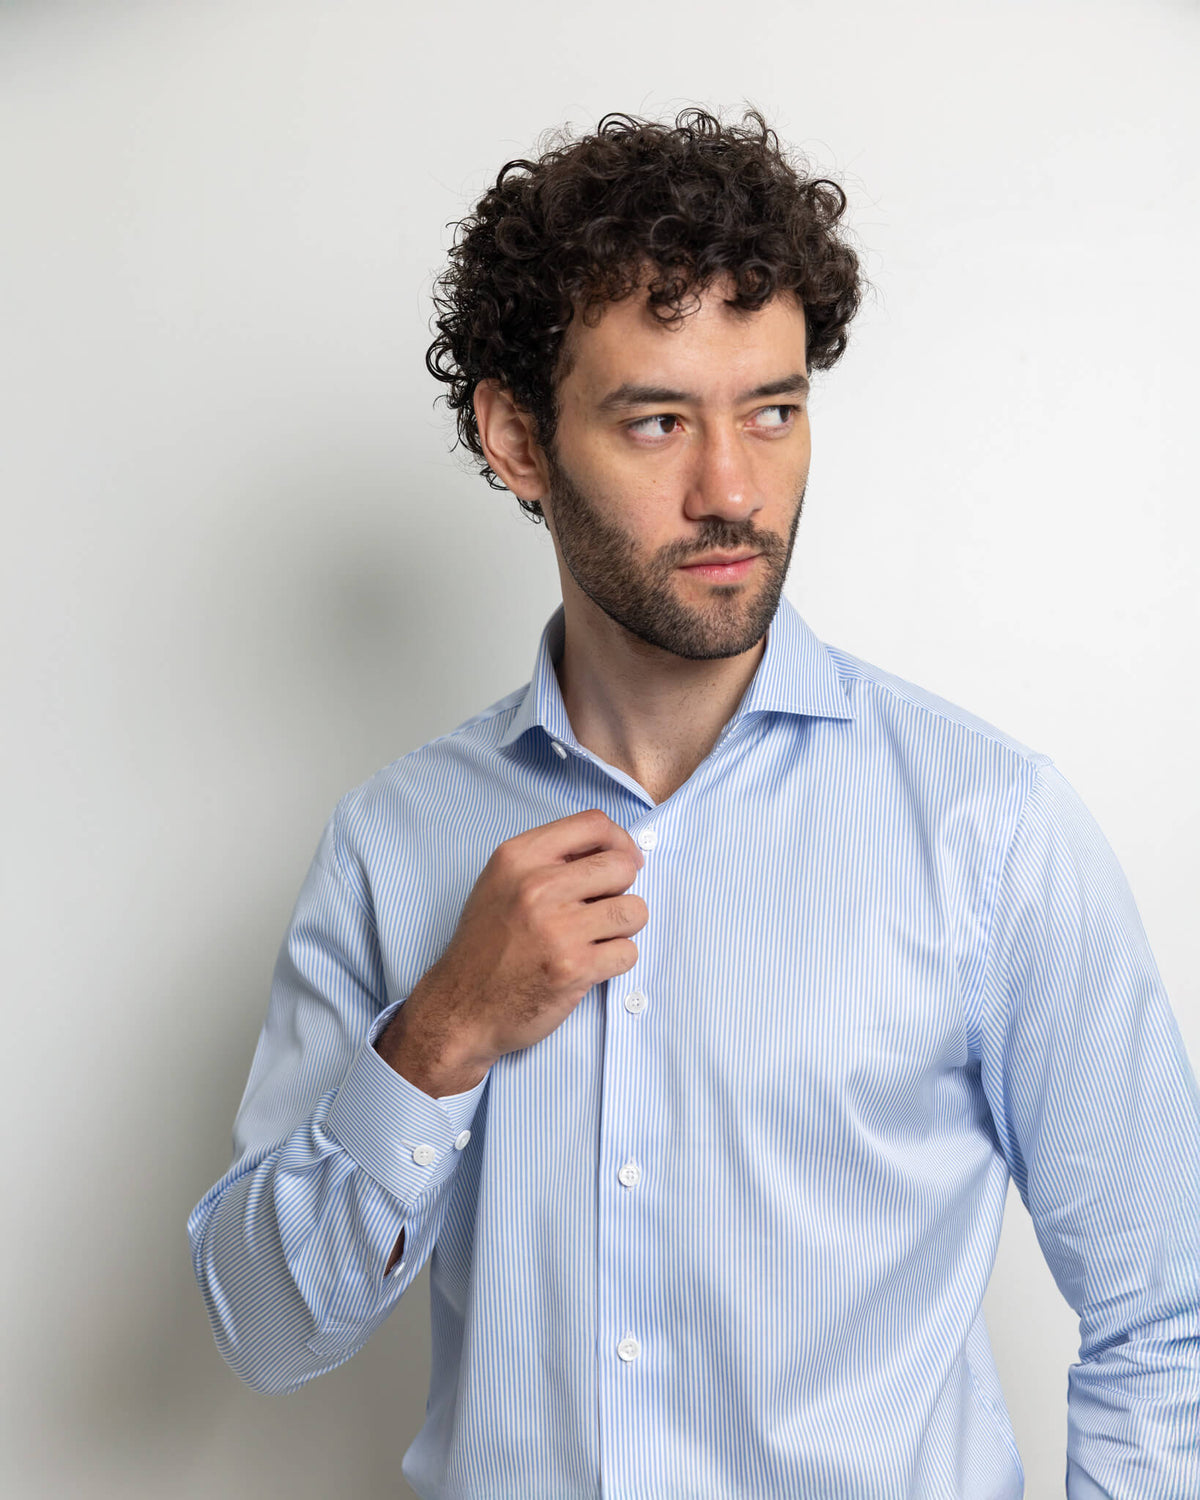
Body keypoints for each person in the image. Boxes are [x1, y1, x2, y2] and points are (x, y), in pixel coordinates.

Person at [188, 109, 1200, 1498]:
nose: (734, 491)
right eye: (658, 420)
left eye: (772, 412)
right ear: (518, 441)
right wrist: (442, 1034)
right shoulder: (393, 844)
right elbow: (264, 1329)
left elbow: (1169, 1314)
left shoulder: (990, 829)